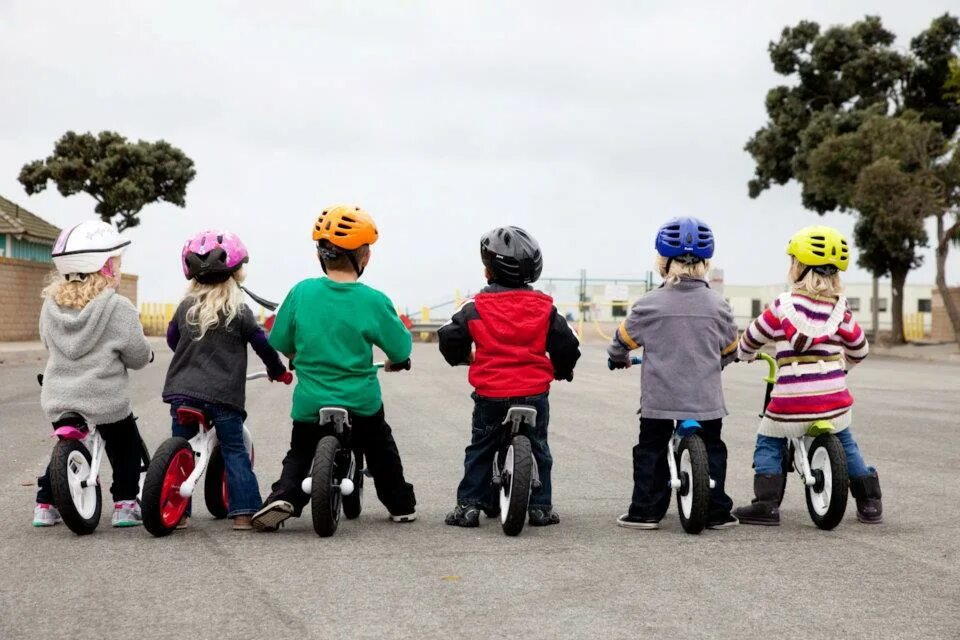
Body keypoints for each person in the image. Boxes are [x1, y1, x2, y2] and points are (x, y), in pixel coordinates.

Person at [252, 205, 417, 531]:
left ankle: (284, 494)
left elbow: (280, 339)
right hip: (361, 402)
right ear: (365, 256)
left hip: (311, 401)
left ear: (321, 255)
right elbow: (401, 347)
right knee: (381, 449)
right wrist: (397, 361)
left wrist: (297, 354)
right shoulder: (373, 300)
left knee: (299, 452)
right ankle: (400, 504)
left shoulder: (301, 292)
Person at [734, 226, 881, 525]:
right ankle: (869, 501)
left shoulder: (782, 306)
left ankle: (766, 504)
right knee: (846, 442)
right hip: (833, 398)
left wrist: (743, 355)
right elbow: (860, 349)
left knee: (769, 438)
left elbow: (750, 339)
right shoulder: (841, 310)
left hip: (790, 401)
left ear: (797, 267)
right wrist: (843, 367)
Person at [439, 226, 580, 528]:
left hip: (491, 393)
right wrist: (563, 370)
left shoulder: (476, 306)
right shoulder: (545, 307)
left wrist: (462, 358)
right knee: (539, 446)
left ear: (488, 272)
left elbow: (449, 337)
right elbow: (568, 344)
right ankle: (541, 507)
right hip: (533, 392)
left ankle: (468, 507)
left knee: (480, 448)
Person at [608, 217, 739, 530]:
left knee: (651, 448)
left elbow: (620, 343)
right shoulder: (719, 305)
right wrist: (718, 360)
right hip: (706, 401)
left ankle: (645, 511)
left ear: (663, 262)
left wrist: (619, 358)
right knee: (713, 449)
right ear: (705, 263)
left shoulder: (649, 305)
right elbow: (731, 349)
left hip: (660, 400)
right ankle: (717, 511)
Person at [162, 230, 291, 531]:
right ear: (237, 272)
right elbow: (264, 346)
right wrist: (278, 371)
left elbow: (172, 340)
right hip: (223, 397)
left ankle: (177, 513)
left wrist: (191, 356)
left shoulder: (185, 308)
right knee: (234, 449)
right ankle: (244, 513)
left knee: (181, 448)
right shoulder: (239, 311)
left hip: (182, 392)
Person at [34, 220, 152, 528]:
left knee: (65, 445)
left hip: (59, 397)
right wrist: (145, 355)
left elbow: (47, 341)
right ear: (107, 268)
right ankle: (126, 504)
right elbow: (138, 356)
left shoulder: (50, 306)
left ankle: (45, 504)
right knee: (124, 443)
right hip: (104, 399)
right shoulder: (119, 308)